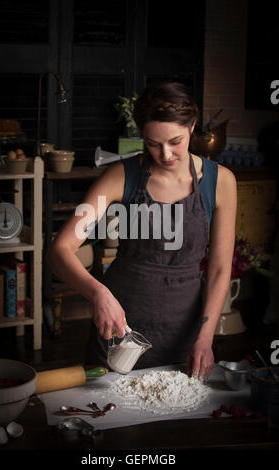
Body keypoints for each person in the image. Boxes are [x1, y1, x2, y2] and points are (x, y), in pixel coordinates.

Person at [45, 82, 237, 381]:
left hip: (185, 330)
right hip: (120, 327)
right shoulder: (119, 177)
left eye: (175, 141)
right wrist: (98, 293)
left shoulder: (220, 181)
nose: (165, 154)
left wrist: (205, 337)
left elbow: (220, 269)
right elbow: (60, 250)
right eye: (152, 143)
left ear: (193, 127)